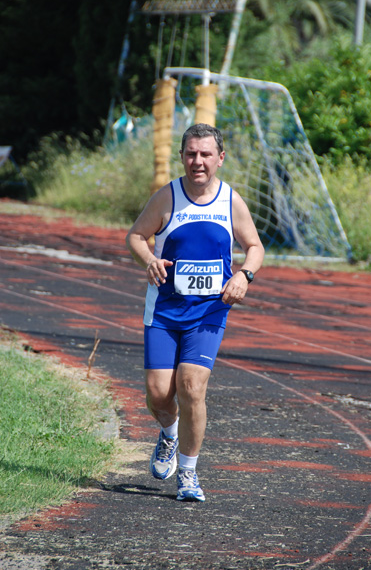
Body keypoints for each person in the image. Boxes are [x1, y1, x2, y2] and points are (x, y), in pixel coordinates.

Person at [126, 123, 264, 502]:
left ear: (220, 158)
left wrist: (244, 276)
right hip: (166, 310)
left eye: (205, 154)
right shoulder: (167, 197)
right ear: (182, 156)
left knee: (191, 386)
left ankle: (188, 475)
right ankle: (169, 433)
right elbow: (135, 236)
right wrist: (149, 259)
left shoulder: (230, 201)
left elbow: (254, 246)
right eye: (191, 154)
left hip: (209, 312)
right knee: (158, 395)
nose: (198, 162)